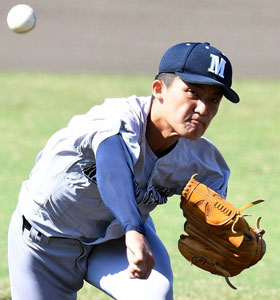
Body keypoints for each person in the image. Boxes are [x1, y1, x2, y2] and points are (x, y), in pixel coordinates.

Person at [8, 42, 240, 300]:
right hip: (45, 241)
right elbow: (113, 165)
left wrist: (230, 237)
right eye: (193, 92)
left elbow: (218, 221)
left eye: (214, 100)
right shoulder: (116, 117)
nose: (203, 109)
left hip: (115, 242)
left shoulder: (204, 163)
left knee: (154, 294)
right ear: (159, 90)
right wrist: (133, 229)